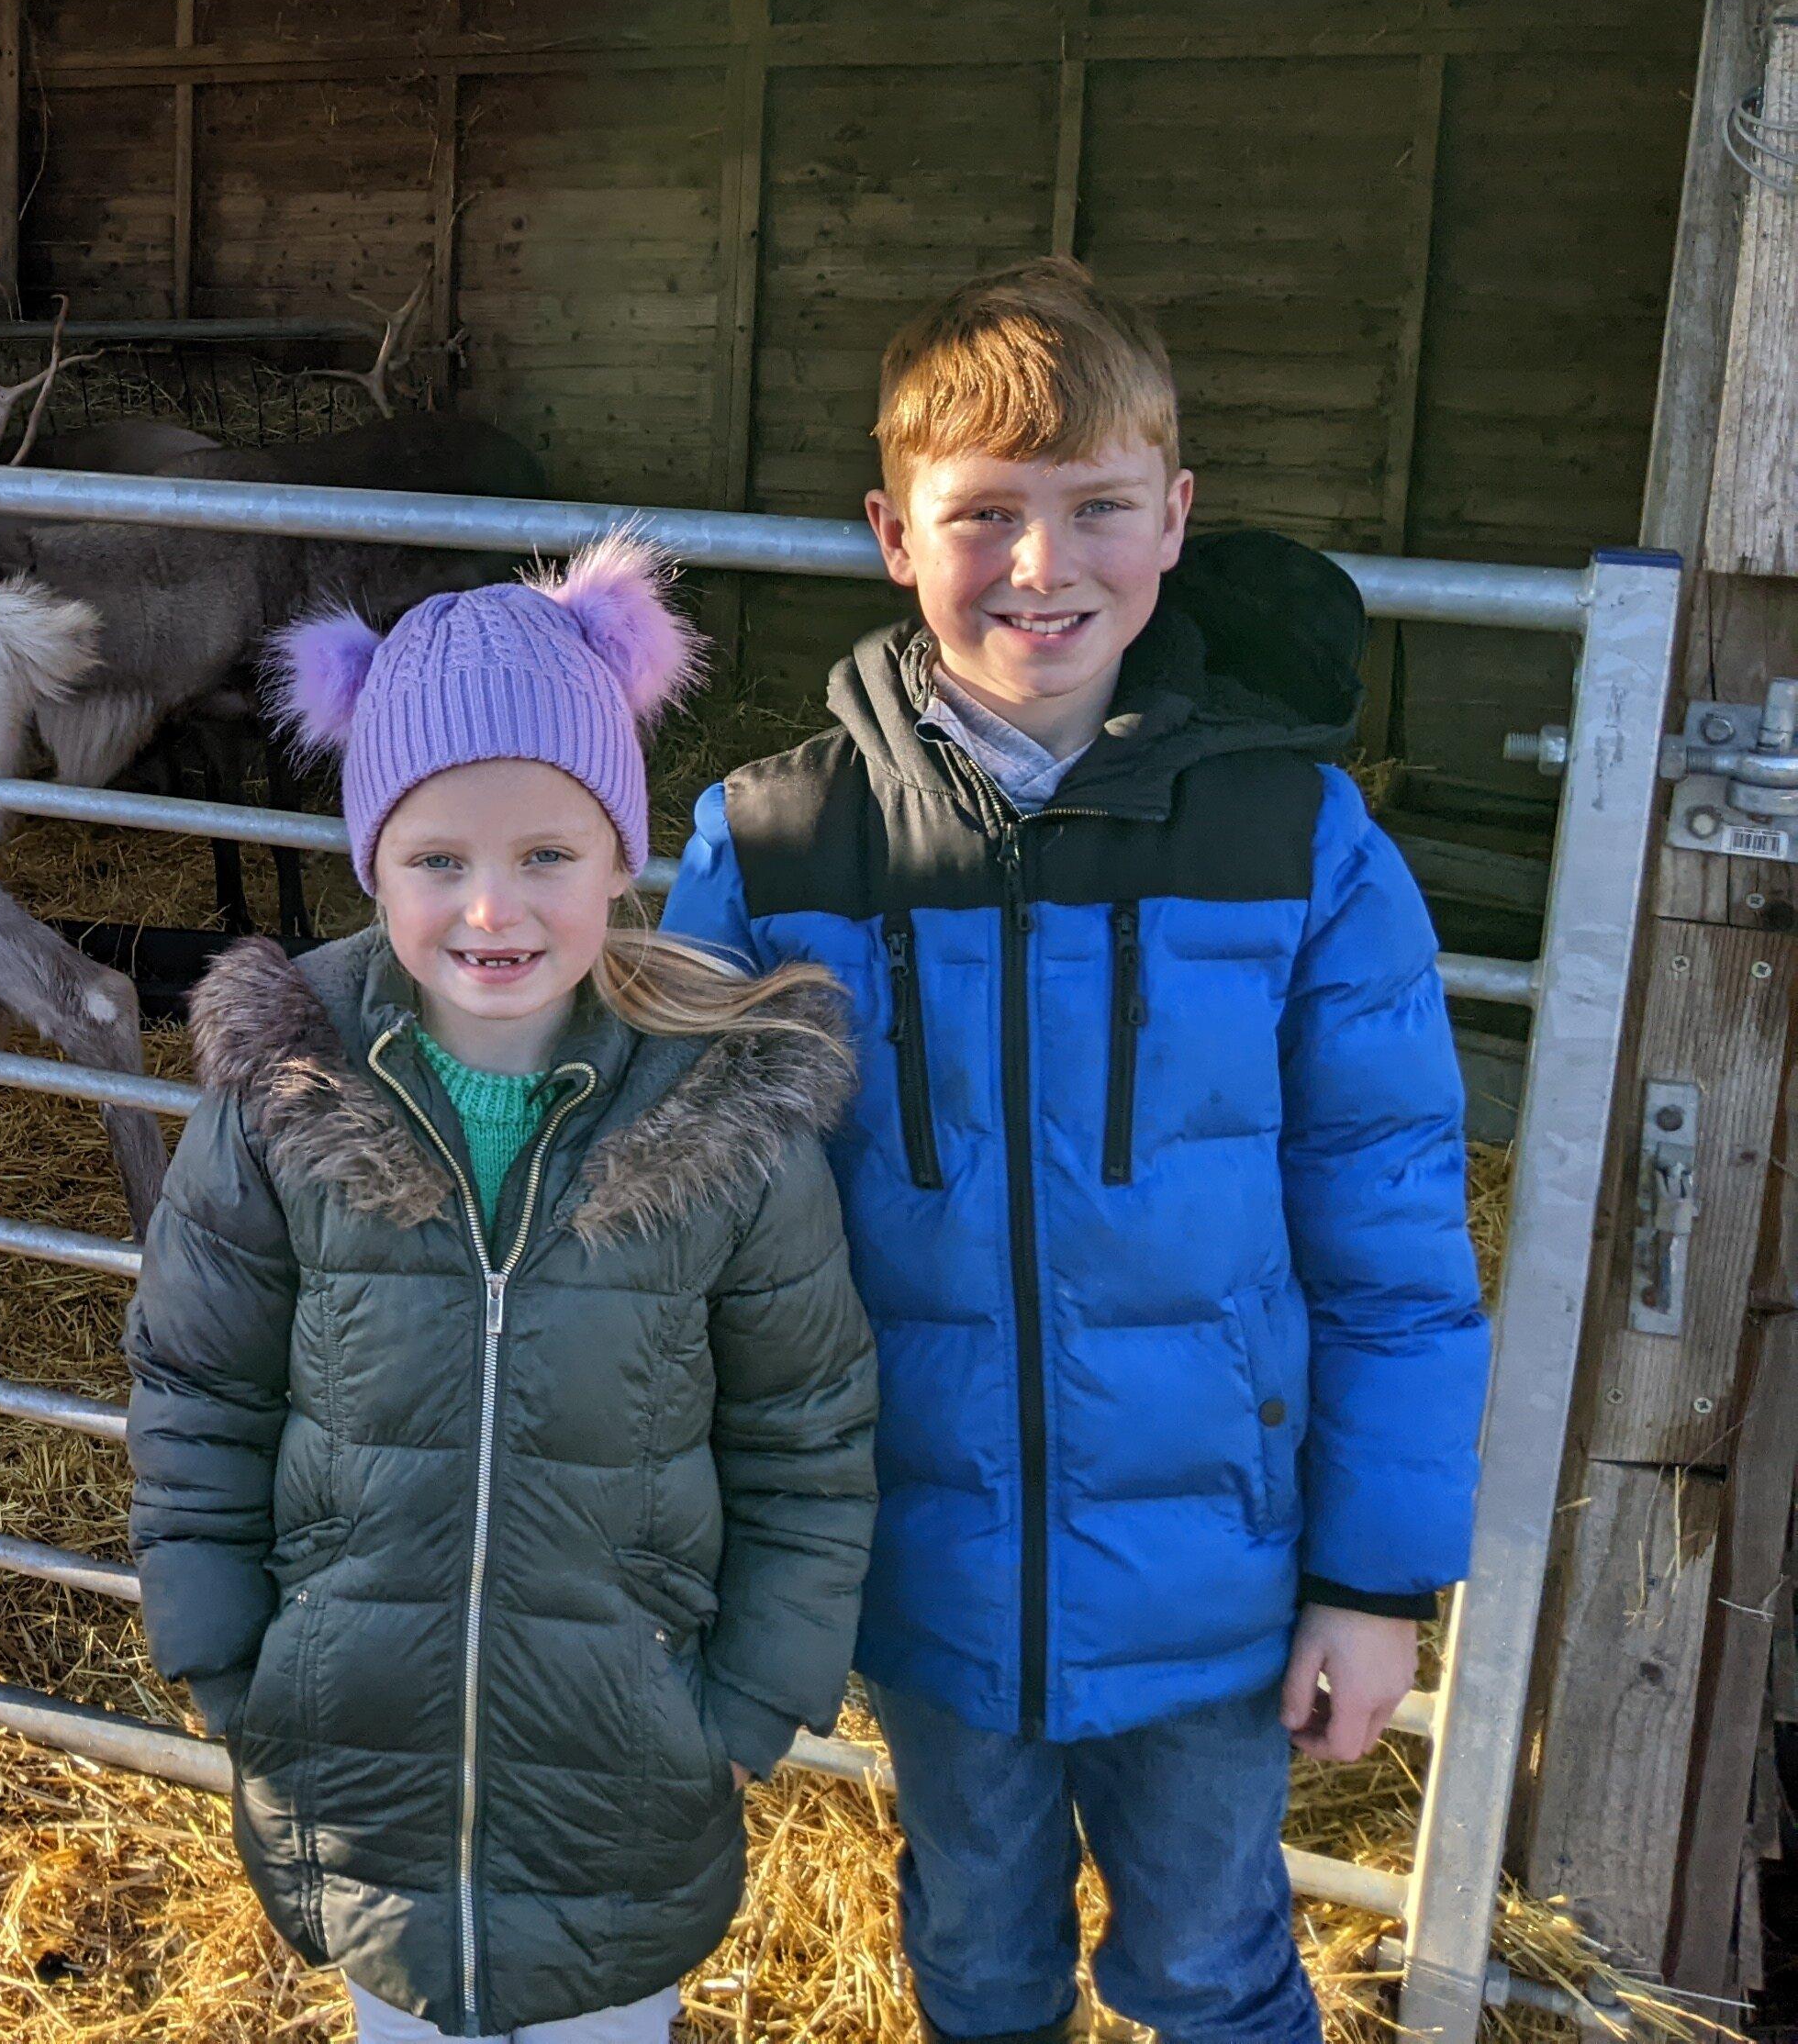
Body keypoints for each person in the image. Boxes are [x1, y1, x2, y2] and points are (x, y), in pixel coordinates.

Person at [661, 258, 1486, 2044]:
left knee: (1210, 1963)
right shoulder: (778, 844)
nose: (1044, 567)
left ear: (1175, 519)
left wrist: (1372, 1578)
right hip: (928, 1580)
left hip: (1220, 1583)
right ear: (894, 532)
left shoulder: (1301, 843)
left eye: (1098, 508)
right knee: (971, 1957)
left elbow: (1394, 1238)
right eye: (988, 516)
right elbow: (675, 1218)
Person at [126, 533, 877, 2044]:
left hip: (626, 1778)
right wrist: (225, 1658)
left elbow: (810, 1429)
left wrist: (738, 1711)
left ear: (622, 859)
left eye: (547, 854)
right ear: (371, 865)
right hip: (362, 1764)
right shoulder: (289, 1089)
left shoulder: (714, 1118)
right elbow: (198, 1384)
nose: (493, 911)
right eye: (437, 860)